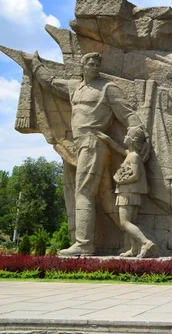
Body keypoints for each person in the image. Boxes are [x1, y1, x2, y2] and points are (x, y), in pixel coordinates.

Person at [30, 51, 144, 256]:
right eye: (90, 63)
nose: (95, 67)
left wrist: (137, 134)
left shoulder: (108, 88)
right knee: (105, 199)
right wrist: (34, 63)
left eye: (97, 64)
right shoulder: (75, 87)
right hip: (82, 145)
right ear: (83, 66)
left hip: (94, 144)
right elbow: (50, 82)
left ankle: (84, 243)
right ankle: (139, 240)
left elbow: (128, 115)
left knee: (83, 192)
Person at [99, 126, 156, 258]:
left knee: (124, 223)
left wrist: (119, 180)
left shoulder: (134, 156)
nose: (124, 136)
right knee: (132, 223)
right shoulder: (130, 154)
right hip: (130, 193)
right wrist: (108, 139)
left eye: (127, 135)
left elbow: (136, 175)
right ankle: (134, 249)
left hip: (127, 193)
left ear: (132, 140)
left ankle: (145, 242)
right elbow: (119, 148)